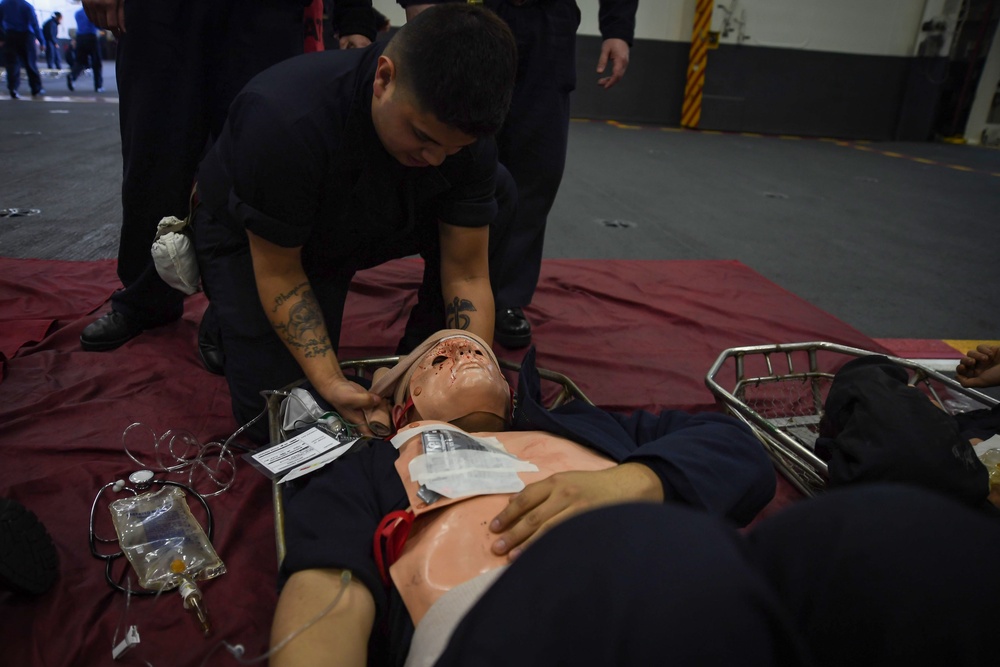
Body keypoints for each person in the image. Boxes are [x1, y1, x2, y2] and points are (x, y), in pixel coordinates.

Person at [270, 331, 1000, 667]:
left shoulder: (593, 430)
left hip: (697, 592)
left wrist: (625, 482)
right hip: (505, 612)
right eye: (438, 353)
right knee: (661, 552)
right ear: (402, 405)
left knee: (913, 538)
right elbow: (326, 589)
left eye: (479, 349)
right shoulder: (372, 464)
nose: (464, 348)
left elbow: (737, 452)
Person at [190, 4, 518, 443]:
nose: (436, 158)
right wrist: (330, 382)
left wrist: (467, 371)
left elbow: (468, 271)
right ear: (384, 79)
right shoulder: (284, 118)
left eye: (452, 149)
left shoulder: (461, 135)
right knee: (288, 420)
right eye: (423, 136)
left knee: (497, 189)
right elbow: (280, 272)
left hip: (368, 212)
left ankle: (421, 351)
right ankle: (229, 312)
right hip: (264, 237)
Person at [76, 0, 377, 354]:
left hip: (260, 14)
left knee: (255, 156)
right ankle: (146, 298)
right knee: (152, 156)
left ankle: (232, 310)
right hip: (158, 13)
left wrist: (354, 17)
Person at [398, 0, 638, 348]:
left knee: (537, 165)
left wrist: (618, 28)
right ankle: (444, 289)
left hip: (547, 23)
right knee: (458, 148)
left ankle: (506, 297)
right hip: (475, 8)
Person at [0, 0, 45, 99]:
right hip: (26, 37)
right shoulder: (26, 6)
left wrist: (1, 38)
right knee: (30, 63)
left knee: (12, 64)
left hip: (9, 35)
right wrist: (42, 41)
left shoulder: (3, 4)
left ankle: (13, 88)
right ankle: (36, 89)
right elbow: (35, 24)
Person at [66, 7, 102, 93]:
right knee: (96, 62)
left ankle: (72, 76)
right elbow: (99, 25)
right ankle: (98, 86)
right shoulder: (93, 11)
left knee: (80, 61)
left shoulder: (77, 13)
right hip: (91, 37)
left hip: (80, 38)